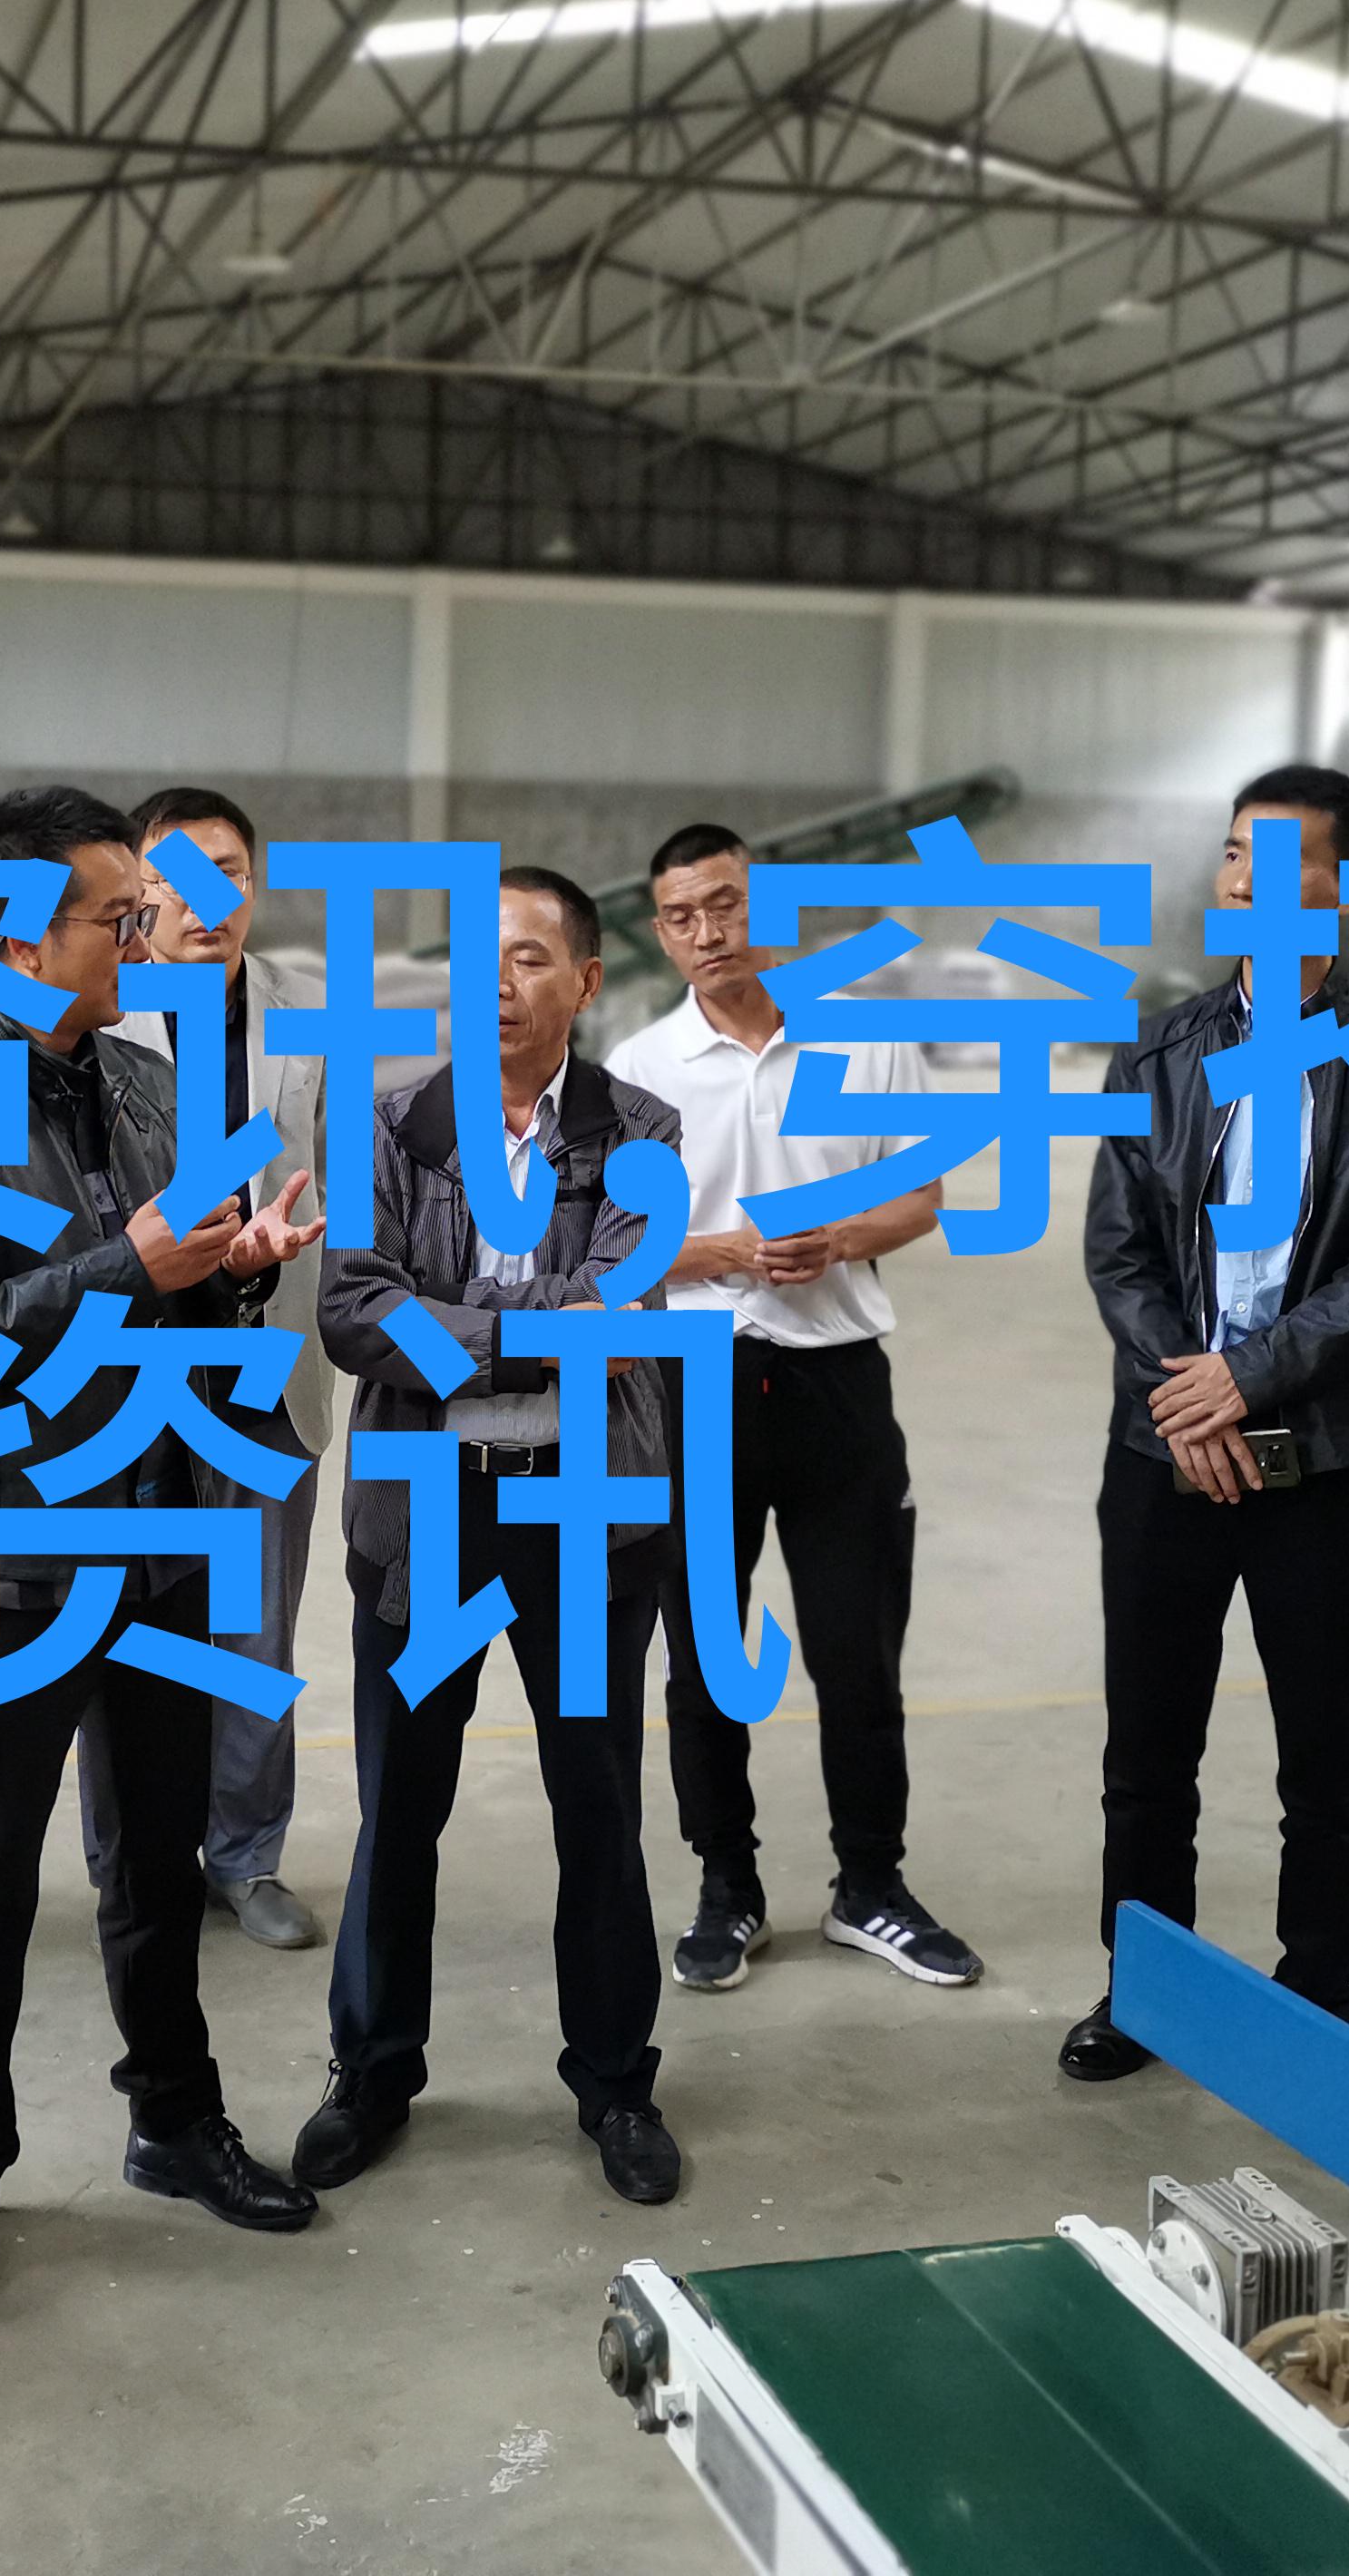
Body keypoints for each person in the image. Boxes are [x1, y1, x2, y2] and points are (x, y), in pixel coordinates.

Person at [0, 785, 326, 2323]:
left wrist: (237, 1270)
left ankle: (174, 2120)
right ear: (14, 937)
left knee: (159, 1858)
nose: (145, 938)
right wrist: (133, 1267)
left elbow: (184, 1293)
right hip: (14, 1548)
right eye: (118, 917)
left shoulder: (147, 1082)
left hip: (163, 1521)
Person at [1065, 766, 1349, 2085]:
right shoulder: (1160, 1053)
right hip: (1165, 1458)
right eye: (1234, 853)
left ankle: (1316, 1998)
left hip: (1331, 1465)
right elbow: (1121, 1252)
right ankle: (1148, 1993)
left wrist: (1251, 1378)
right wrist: (1188, 1395)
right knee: (1148, 1757)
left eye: (1278, 859)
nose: (1241, 880)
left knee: (1327, 1759)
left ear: (1347, 888)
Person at [302, 867, 689, 2207]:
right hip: (428, 1509)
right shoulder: (386, 1124)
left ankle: (617, 2080)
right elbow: (355, 1311)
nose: (499, 985)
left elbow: (625, 1315)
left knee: (599, 1806)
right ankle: (372, 2070)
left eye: (529, 958)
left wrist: (456, 1322)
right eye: (479, 959)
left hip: (582, 1515)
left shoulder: (642, 1129)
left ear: (587, 980)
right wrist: (540, 1329)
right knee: (400, 1805)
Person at [605, 823, 979, 1995]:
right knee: (707, 1659)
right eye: (682, 917)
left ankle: (873, 1887)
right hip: (693, 1386)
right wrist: (726, 1253)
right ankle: (729, 1889)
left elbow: (921, 1195)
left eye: (725, 905)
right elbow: (612, 1250)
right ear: (661, 933)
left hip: (838, 1382)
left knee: (858, 1655)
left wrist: (842, 1239)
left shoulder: (867, 1040)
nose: (707, 933)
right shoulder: (640, 1069)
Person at [74, 783, 334, 1952]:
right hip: (128, 1375)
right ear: (139, 893)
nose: (204, 899)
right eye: (174, 878)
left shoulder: (311, 1010)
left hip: (267, 1367)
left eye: (227, 871)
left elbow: (349, 1176)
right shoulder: (92, 1015)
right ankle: (134, 1863)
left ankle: (245, 1855)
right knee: (124, 1629)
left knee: (256, 1631)